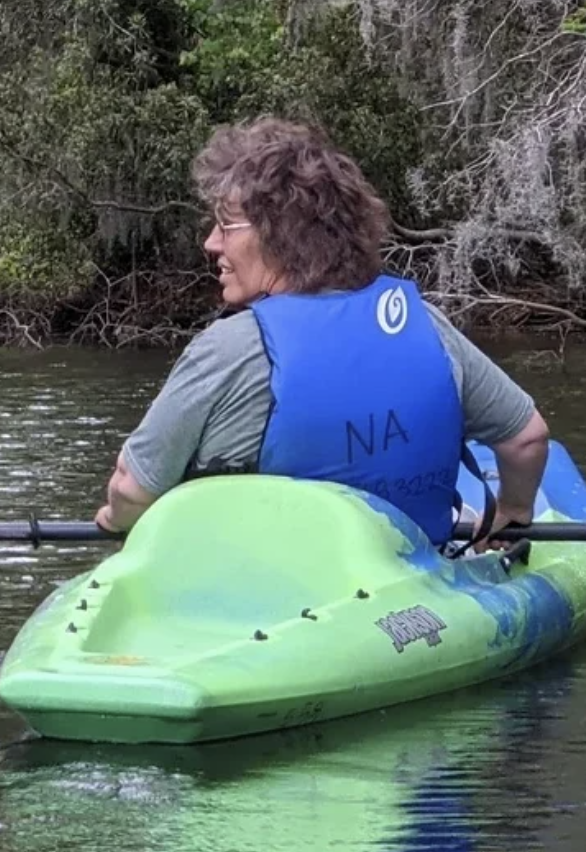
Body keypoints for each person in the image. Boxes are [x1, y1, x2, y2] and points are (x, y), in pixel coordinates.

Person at [94, 118, 550, 549]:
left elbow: (134, 491)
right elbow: (526, 439)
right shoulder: (429, 327)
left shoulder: (228, 351)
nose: (211, 242)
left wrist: (114, 519)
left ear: (280, 236)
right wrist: (513, 511)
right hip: (416, 572)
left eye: (226, 225)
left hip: (270, 585)